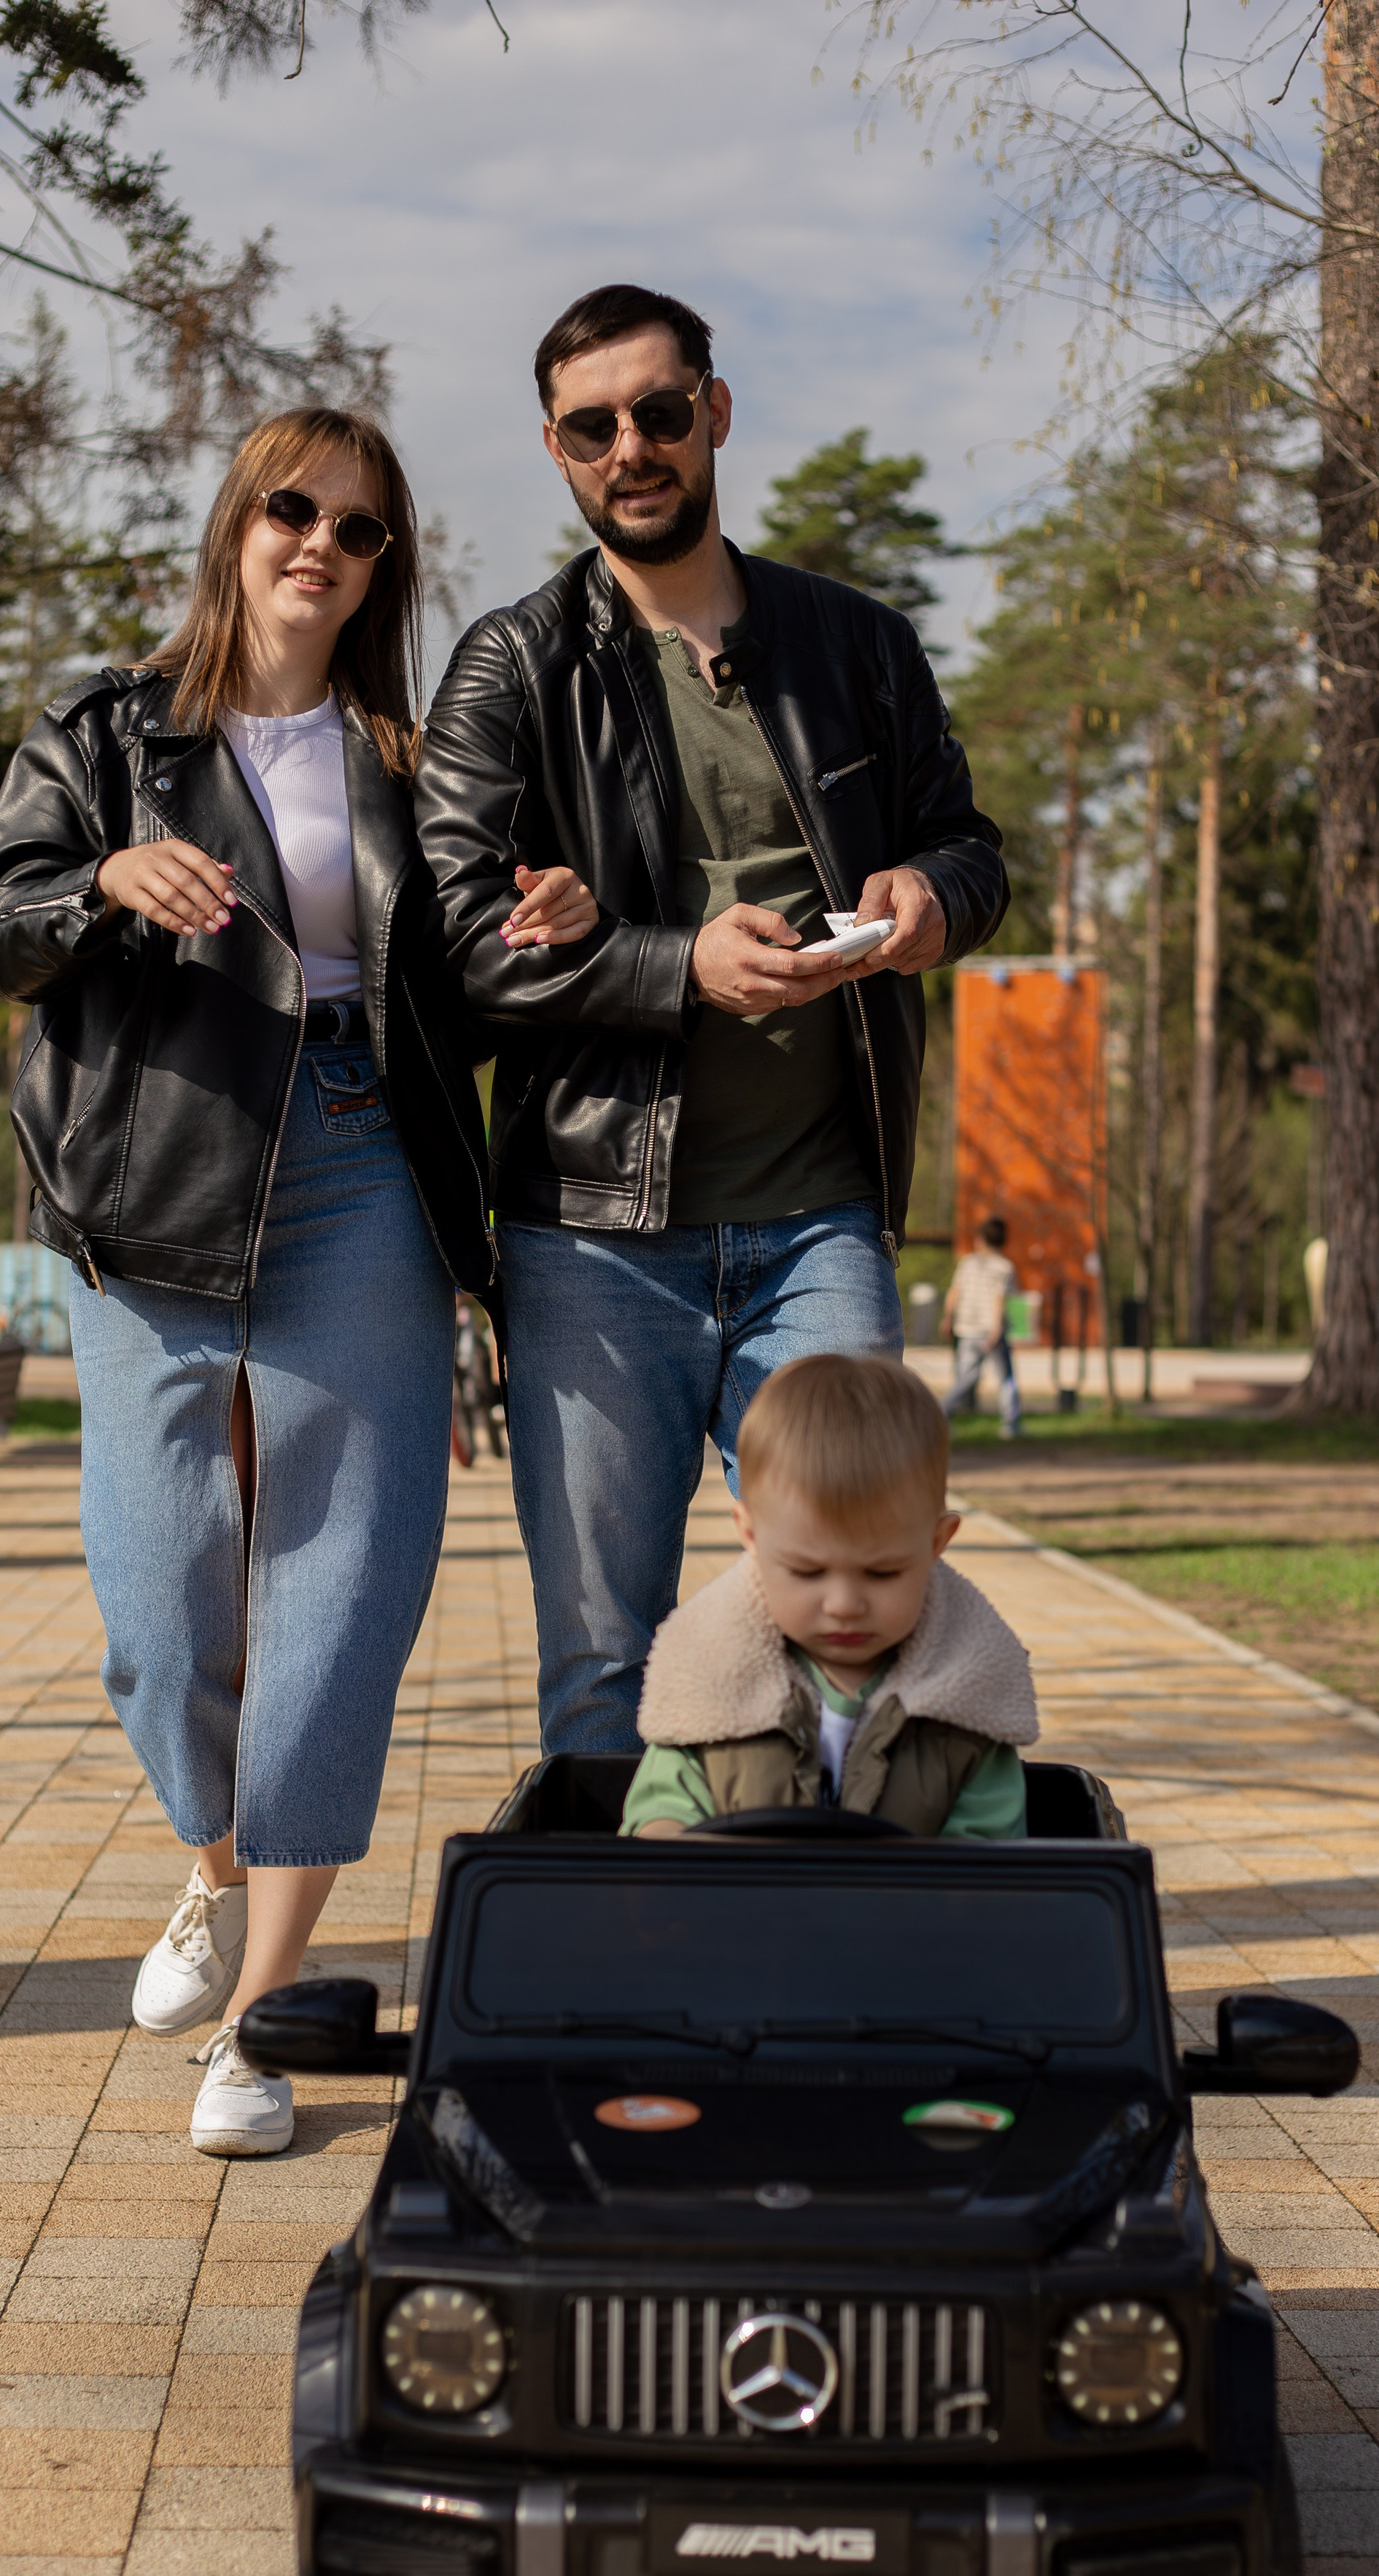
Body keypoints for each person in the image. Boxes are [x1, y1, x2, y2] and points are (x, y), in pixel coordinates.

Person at [0, 405, 596, 2157]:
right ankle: (210, 1858)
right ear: (236, 525)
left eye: (361, 525)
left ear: (387, 564)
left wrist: (529, 926)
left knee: (342, 1587)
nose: (320, 542)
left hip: (358, 1164)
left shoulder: (411, 755)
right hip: (151, 1179)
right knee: (161, 1596)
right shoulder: (107, 728)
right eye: (290, 509)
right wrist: (101, 876)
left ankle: (256, 2020)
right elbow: (0, 918)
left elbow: (456, 976)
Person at [415, 282, 1010, 1759]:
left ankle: (826, 1965)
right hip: (589, 1242)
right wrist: (680, 966)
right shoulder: (511, 667)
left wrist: (934, 900)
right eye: (592, 425)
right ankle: (610, 1974)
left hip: (819, 1230)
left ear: (714, 414)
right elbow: (454, 949)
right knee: (603, 1671)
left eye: (660, 413)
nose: (633, 446)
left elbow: (969, 846)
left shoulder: (854, 644)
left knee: (856, 1642)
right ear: (554, 448)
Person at [622, 1353, 1037, 1837]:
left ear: (936, 1545)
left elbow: (989, 1864)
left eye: (882, 1573)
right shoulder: (708, 1674)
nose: (844, 1604)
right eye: (807, 1571)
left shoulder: (969, 1696)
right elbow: (659, 1817)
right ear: (751, 1537)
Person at [942, 1211, 1023, 1433]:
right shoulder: (1005, 1267)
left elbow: (955, 1292)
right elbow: (1000, 1299)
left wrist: (948, 1318)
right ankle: (1011, 1424)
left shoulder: (968, 1263)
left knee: (967, 1377)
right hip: (991, 1330)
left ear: (981, 1238)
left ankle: (942, 1411)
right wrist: (998, 1328)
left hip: (967, 1328)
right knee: (1005, 1378)